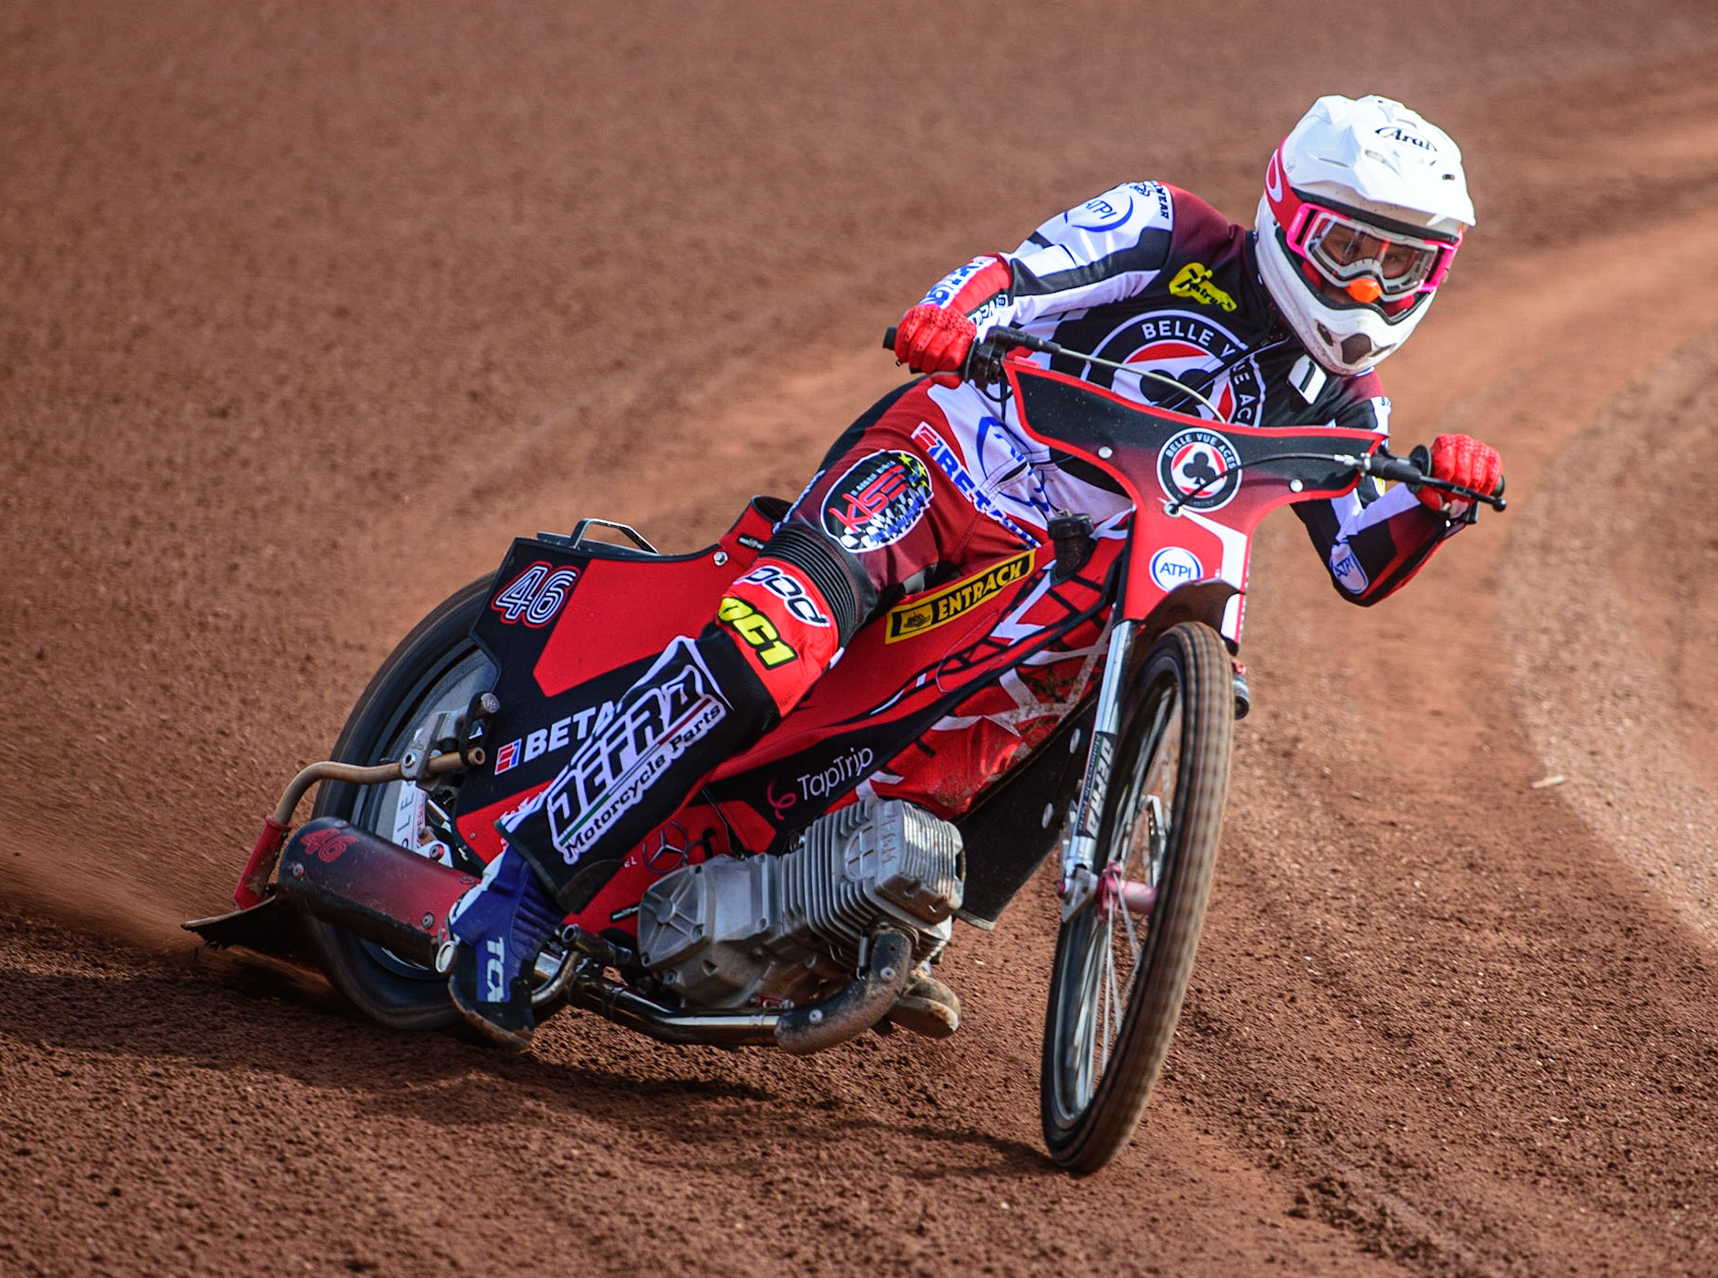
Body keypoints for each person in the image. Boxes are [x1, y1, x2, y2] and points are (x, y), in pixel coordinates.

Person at [444, 93, 1503, 1046]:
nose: (1370, 283)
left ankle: (888, 918)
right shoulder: (1169, 229)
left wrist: (1438, 504)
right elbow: (1016, 274)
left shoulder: (1349, 408)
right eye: (1350, 247)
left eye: (1402, 264)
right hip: (948, 469)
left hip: (1069, 582)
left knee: (1077, 705)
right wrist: (954, 318)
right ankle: (520, 888)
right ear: (1285, 212)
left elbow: (1363, 558)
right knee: (770, 647)